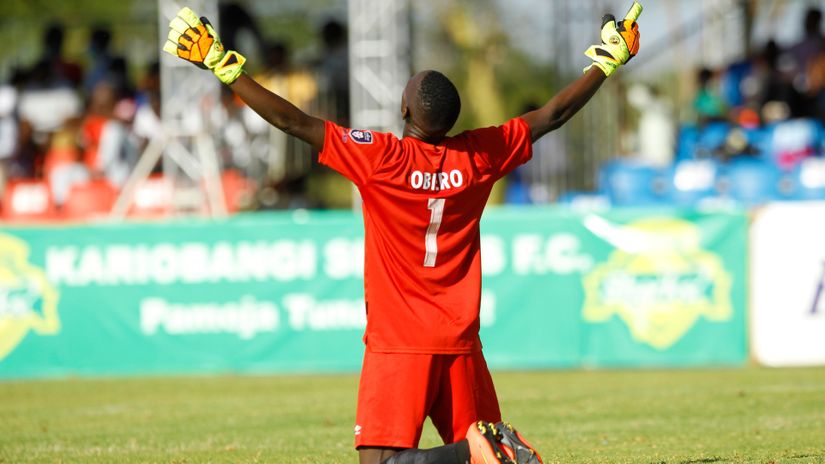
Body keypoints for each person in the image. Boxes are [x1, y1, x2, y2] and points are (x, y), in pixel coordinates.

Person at [163, 7, 639, 464]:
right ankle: (473, 452)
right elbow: (552, 115)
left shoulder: (381, 159)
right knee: (488, 451)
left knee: (387, 461)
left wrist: (220, 63)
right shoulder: (478, 157)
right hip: (460, 341)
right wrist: (607, 62)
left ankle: (464, 452)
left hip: (398, 343)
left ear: (404, 108)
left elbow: (293, 121)